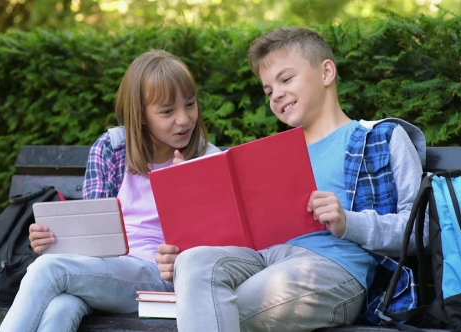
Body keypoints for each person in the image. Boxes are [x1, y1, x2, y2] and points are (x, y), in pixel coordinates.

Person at [156, 27, 427, 331]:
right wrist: (182, 252)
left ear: (326, 72)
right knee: (193, 263)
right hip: (266, 260)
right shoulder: (272, 156)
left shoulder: (378, 138)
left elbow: (422, 231)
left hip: (333, 269)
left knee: (221, 309)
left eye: (286, 79)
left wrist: (348, 221)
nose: (277, 94)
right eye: (269, 91)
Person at [0, 50, 220, 332]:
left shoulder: (206, 160)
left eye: (190, 105)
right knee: (60, 307)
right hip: (105, 270)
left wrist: (190, 183)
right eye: (167, 111)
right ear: (139, 115)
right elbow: (92, 238)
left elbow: (219, 243)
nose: (184, 119)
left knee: (48, 269)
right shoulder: (112, 149)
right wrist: (51, 240)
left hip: (156, 275)